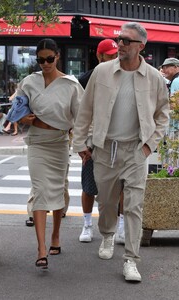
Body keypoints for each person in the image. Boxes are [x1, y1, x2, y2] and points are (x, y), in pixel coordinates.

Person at [73, 22, 169, 282]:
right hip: (105, 149)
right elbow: (85, 110)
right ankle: (106, 235)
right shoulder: (102, 72)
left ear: (141, 46)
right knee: (106, 202)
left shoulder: (154, 78)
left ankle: (131, 260)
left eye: (127, 41)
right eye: (119, 39)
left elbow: (163, 115)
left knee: (134, 207)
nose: (121, 44)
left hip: (136, 150)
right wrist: (81, 144)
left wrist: (149, 145)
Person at [16, 38, 83, 269]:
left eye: (49, 59)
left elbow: (82, 117)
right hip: (37, 141)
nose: (45, 63)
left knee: (58, 190)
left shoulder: (71, 84)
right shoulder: (29, 81)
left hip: (59, 142)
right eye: (41, 60)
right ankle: (41, 248)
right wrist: (23, 118)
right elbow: (17, 107)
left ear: (57, 57)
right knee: (40, 190)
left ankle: (55, 234)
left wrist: (84, 145)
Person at [78, 39, 125, 244]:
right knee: (89, 185)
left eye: (117, 55)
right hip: (93, 139)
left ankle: (121, 225)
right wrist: (81, 143)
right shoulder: (86, 79)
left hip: (119, 139)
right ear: (99, 56)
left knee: (121, 185)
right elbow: (81, 113)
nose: (115, 59)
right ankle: (87, 224)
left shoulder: (126, 76)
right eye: (110, 55)